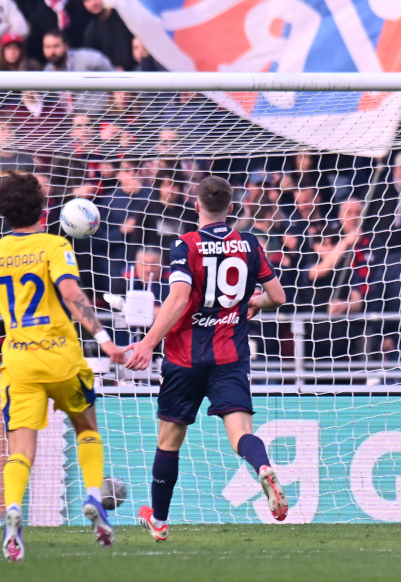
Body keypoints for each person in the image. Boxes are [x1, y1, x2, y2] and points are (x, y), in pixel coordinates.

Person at [0, 171, 127, 561]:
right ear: (43, 207)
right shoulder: (56, 245)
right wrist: (105, 341)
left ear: (4, 212)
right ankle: (94, 496)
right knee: (86, 428)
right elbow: (72, 294)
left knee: (20, 448)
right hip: (61, 357)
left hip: (18, 362)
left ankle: (13, 510)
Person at [123, 175, 290, 541]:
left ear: (196, 205)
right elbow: (276, 296)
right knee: (241, 433)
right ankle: (262, 465)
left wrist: (148, 342)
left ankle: (160, 520)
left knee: (169, 440)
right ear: (231, 208)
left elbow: (179, 298)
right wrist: (254, 303)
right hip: (230, 354)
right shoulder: (249, 243)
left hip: (185, 357)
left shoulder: (186, 245)